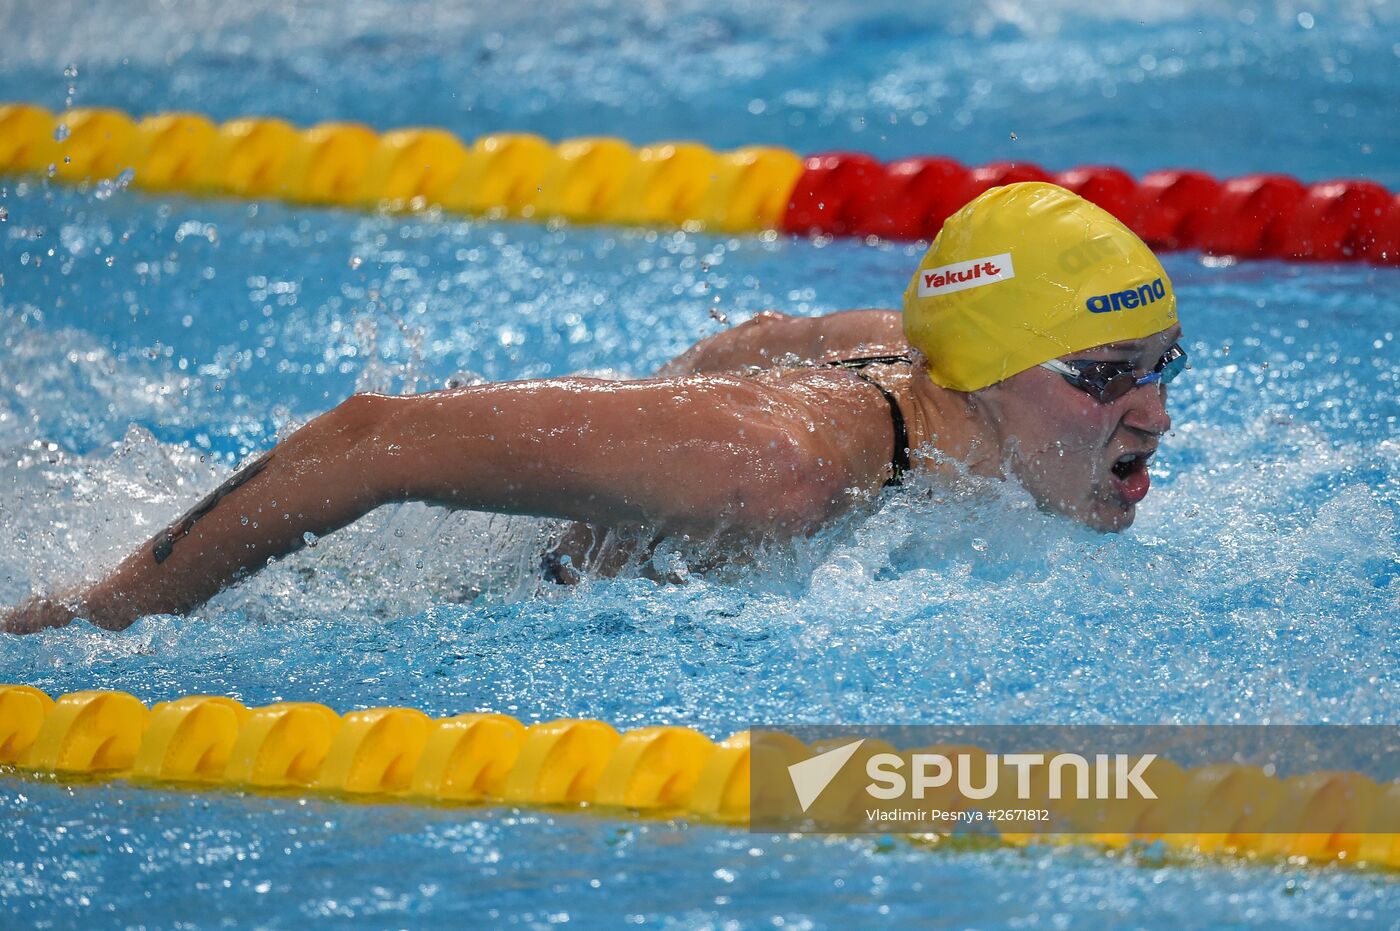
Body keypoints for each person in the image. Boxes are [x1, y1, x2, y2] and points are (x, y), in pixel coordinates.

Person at [1, 182, 1185, 634]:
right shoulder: (782, 470)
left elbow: (761, 343)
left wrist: (644, 436)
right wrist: (99, 614)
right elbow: (374, 437)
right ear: (978, 373)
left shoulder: (924, 368)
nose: (1152, 415)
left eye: (1160, 365)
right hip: (438, 590)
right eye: (1101, 373)